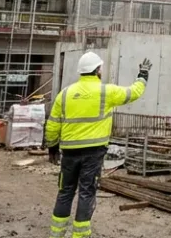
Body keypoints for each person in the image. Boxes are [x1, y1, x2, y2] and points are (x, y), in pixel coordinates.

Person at [46, 52, 150, 238]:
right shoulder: (106, 92)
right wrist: (143, 75)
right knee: (87, 192)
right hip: (93, 154)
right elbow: (133, 93)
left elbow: (53, 123)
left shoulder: (66, 94)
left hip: (69, 152)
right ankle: (80, 235)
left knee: (65, 191)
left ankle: (56, 235)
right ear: (98, 70)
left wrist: (52, 146)